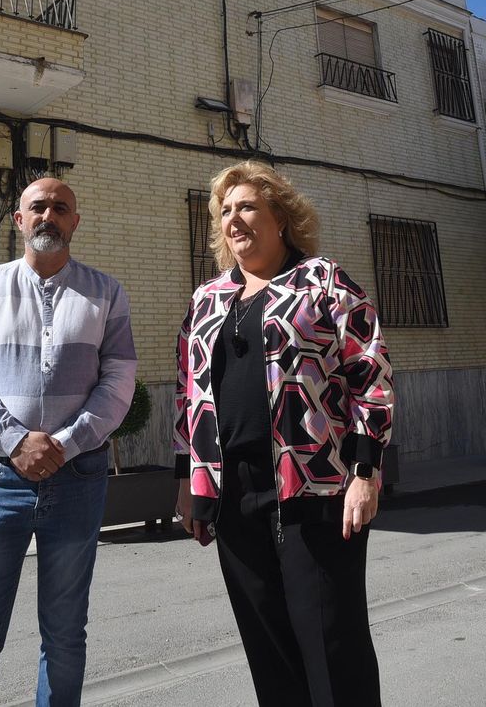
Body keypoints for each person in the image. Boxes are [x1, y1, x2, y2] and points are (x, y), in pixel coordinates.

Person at [174, 161, 394, 707]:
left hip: (318, 484)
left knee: (332, 642)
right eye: (225, 211)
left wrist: (365, 473)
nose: (234, 219)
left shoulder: (324, 281)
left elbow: (372, 376)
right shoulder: (207, 300)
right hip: (232, 491)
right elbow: (188, 397)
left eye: (247, 206)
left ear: (281, 218)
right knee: (267, 645)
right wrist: (188, 481)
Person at [0, 177, 137, 707]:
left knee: (66, 635)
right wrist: (13, 441)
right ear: (19, 220)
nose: (49, 214)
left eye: (60, 207)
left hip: (78, 480)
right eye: (38, 207)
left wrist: (65, 445)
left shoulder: (106, 293)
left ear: (76, 221)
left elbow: (120, 380)